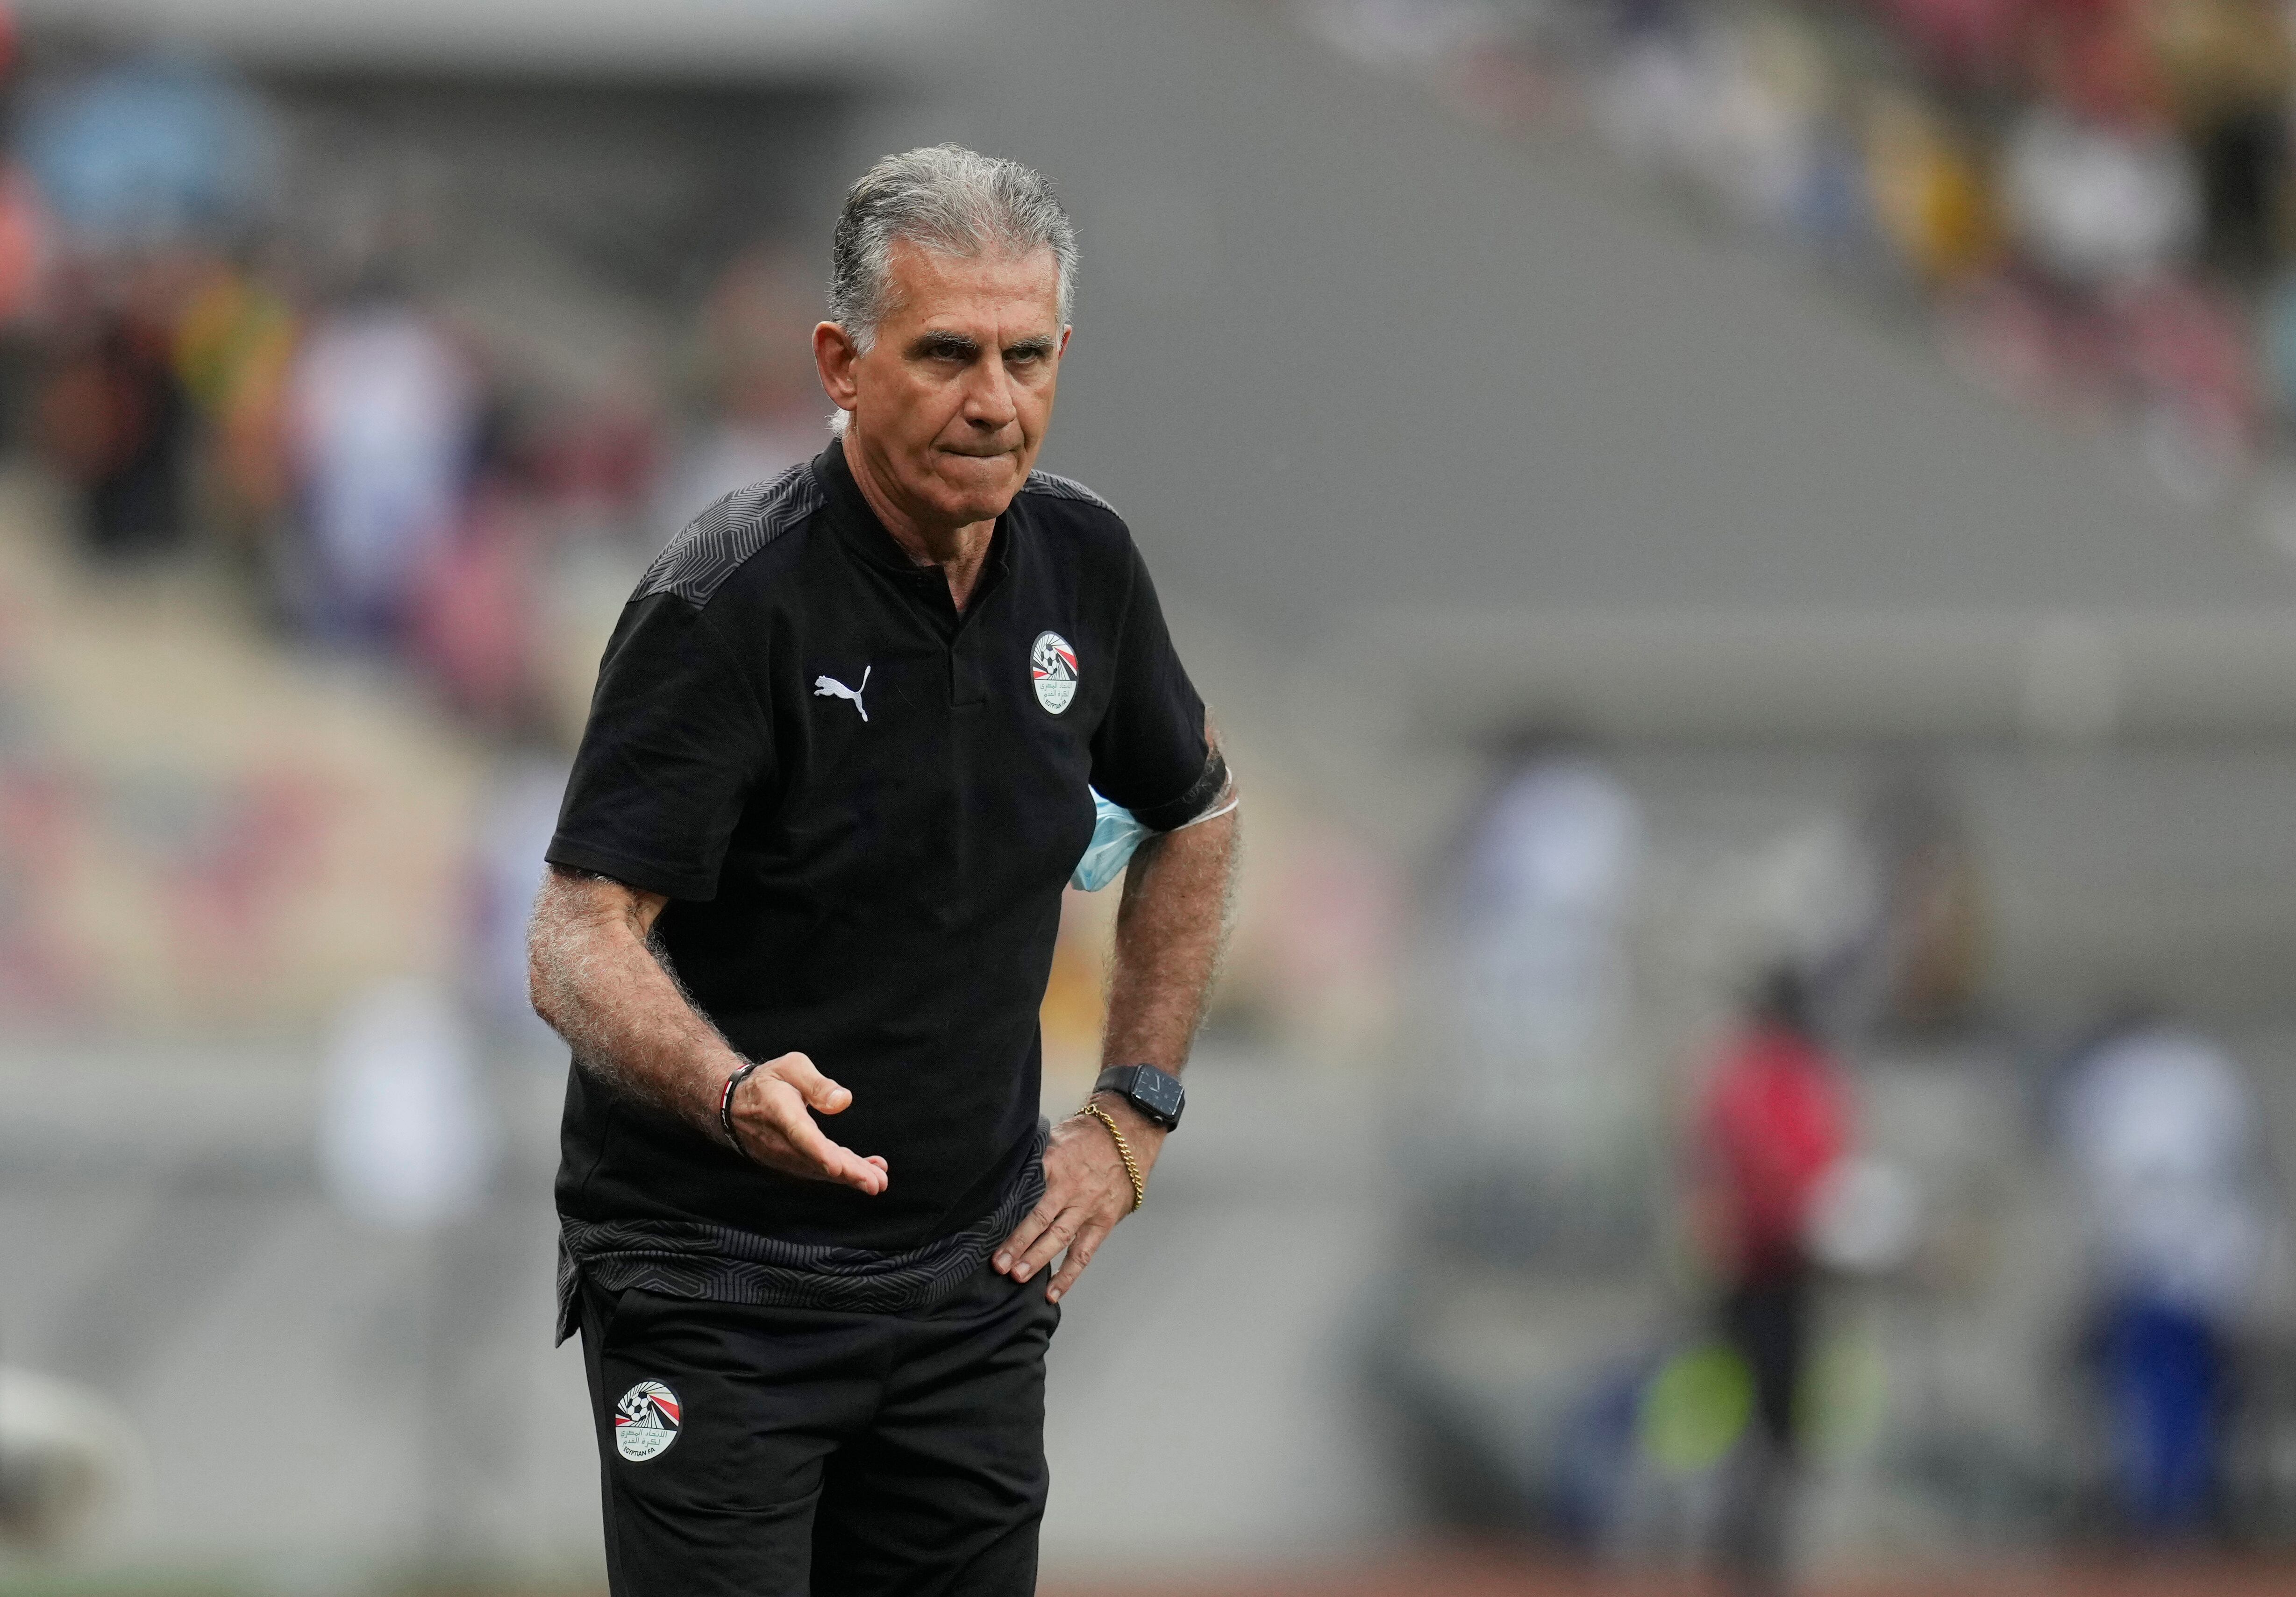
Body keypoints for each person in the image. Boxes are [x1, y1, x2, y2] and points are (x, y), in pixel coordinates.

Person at [526, 145, 1240, 1596]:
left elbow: (1199, 814)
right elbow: (576, 933)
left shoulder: (1085, 563)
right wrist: (731, 1087)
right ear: (841, 362)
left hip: (969, 1285)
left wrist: (1132, 1110)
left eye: (1027, 355)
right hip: (715, 1278)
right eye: (948, 354)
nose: (995, 399)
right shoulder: (727, 603)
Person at [2059, 1008, 2266, 1539]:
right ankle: (2167, 1505)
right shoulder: (2195, 1075)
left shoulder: (2133, 1084)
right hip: (2180, 1265)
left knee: (2177, 1393)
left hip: (2180, 1266)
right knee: (2160, 1392)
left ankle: (2175, 1507)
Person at [1689, 965, 1852, 1597]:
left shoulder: (1767, 1077)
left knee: (1775, 1419)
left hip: (1778, 1268)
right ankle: (1742, 1548)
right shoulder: (1767, 1079)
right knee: (1758, 1416)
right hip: (1760, 1266)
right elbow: (1780, 1168)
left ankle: (1754, 1546)